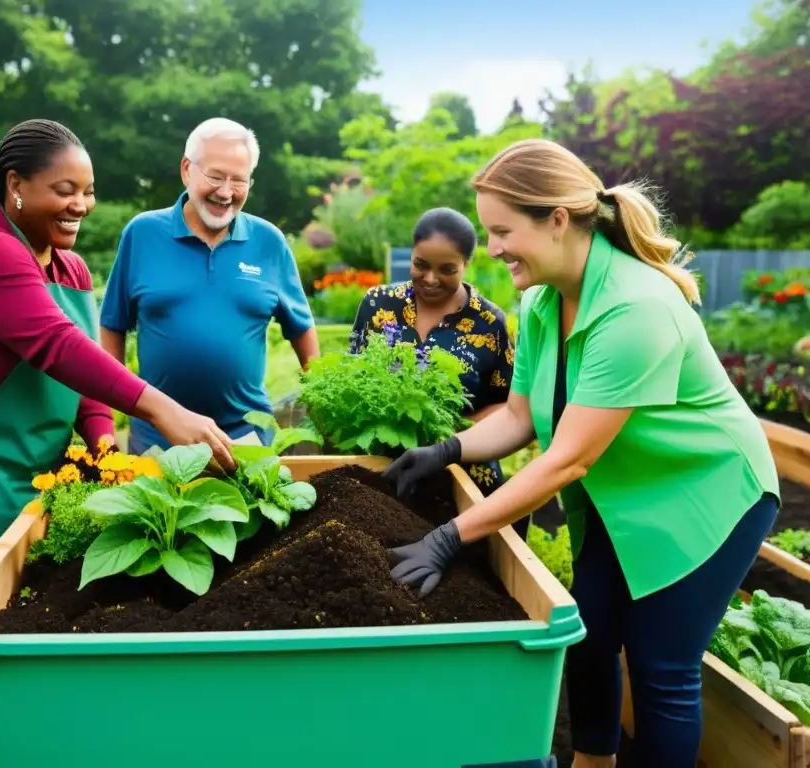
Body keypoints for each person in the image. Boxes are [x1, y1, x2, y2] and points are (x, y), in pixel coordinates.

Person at [383, 138, 780, 768]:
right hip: (623, 493)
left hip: (708, 493)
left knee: (661, 665)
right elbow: (519, 416)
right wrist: (446, 449)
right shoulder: (544, 299)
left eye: (503, 231)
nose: (493, 250)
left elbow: (566, 460)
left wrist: (451, 536)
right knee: (589, 637)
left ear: (558, 220)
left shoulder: (636, 310)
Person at [0, 119, 235, 764]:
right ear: (16, 184)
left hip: (42, 469)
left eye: (88, 190)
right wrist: (162, 411)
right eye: (63, 189)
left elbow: (77, 377)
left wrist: (104, 447)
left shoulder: (71, 265)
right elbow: (50, 346)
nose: (80, 204)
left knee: (31, 625)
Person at [99, 117, 319, 453]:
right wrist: (111, 414)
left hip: (246, 439)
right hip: (158, 438)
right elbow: (112, 325)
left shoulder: (269, 242)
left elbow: (301, 328)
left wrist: (319, 402)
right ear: (187, 170)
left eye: (239, 181)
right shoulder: (142, 234)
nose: (226, 192)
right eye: (215, 176)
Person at [348, 207, 521, 532]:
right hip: (387, 468)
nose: (430, 278)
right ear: (411, 254)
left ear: (467, 264)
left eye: (447, 269)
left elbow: (508, 405)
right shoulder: (379, 304)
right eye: (421, 265)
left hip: (462, 474)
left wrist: (444, 437)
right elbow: (355, 380)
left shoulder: (488, 322)